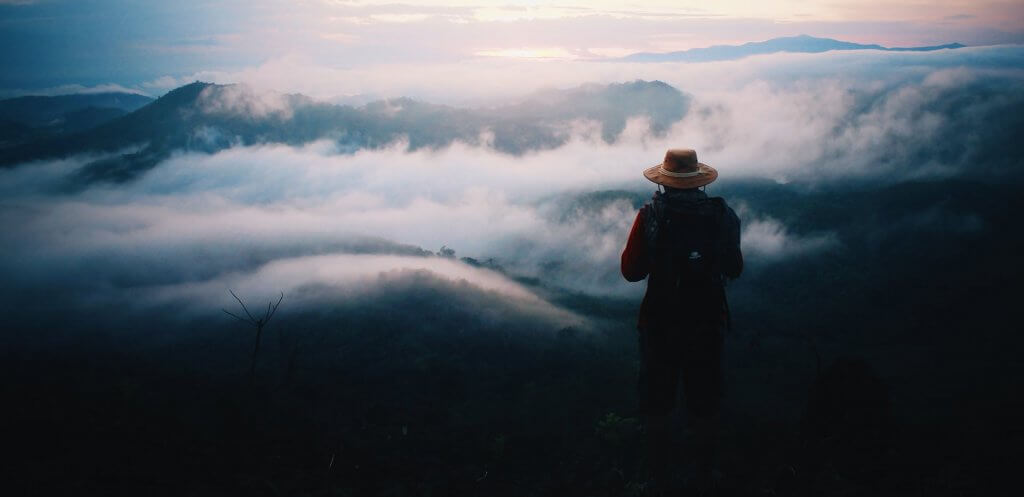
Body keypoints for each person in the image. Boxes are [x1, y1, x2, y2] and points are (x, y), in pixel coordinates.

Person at [620, 148, 743, 491]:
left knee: (657, 403)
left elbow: (631, 272)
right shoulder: (723, 215)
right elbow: (735, 268)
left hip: (660, 324)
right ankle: (704, 476)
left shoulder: (649, 216)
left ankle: (659, 478)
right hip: (707, 322)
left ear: (664, 183)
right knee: (705, 402)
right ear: (699, 182)